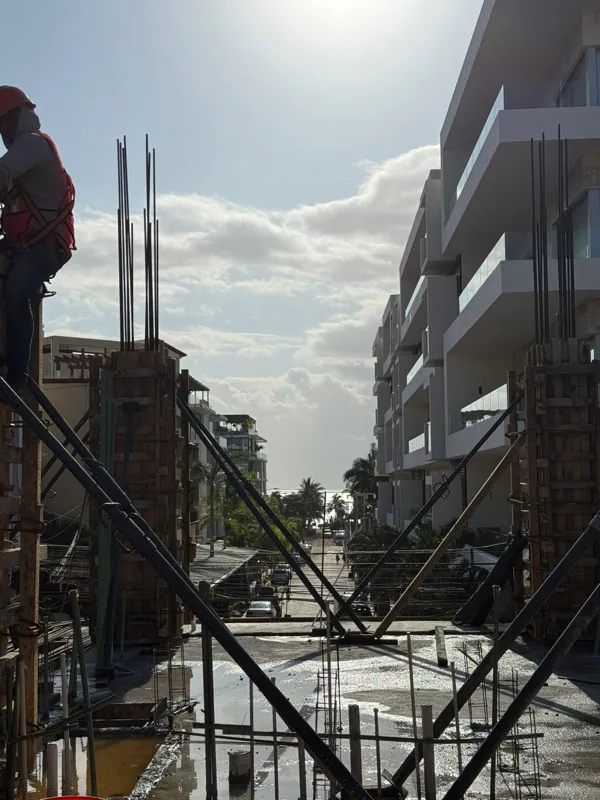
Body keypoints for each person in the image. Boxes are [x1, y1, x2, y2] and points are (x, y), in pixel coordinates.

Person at [0, 86, 75, 393]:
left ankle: (16, 374)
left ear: (17, 117)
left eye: (3, 122)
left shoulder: (32, 144)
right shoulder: (21, 149)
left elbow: (1, 173)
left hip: (43, 247)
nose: (2, 131)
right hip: (22, 243)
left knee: (17, 291)